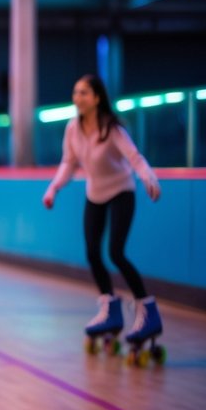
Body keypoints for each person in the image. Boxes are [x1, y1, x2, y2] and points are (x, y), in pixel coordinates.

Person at [43, 74, 163, 352]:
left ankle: (148, 312)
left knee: (116, 253)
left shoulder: (112, 128)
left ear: (96, 98)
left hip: (122, 191)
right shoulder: (73, 128)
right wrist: (53, 189)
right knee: (92, 253)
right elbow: (68, 163)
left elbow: (134, 157)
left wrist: (148, 177)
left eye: (83, 93)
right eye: (75, 92)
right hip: (95, 194)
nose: (77, 98)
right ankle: (110, 310)